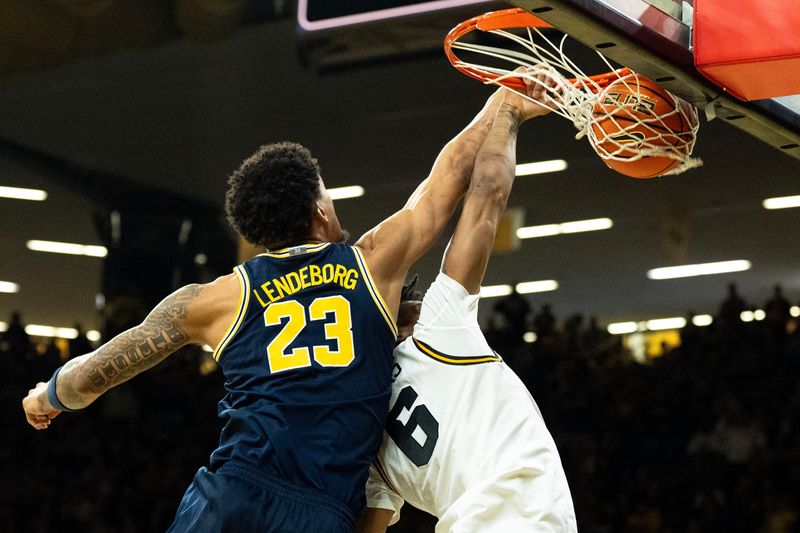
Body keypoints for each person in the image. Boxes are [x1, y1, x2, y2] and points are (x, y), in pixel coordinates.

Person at [21, 84, 515, 532]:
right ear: (320, 211)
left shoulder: (214, 298)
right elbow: (451, 174)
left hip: (230, 496)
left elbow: (96, 374)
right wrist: (504, 102)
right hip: (321, 511)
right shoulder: (371, 264)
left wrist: (47, 397)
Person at [359, 69, 576, 533]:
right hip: (526, 518)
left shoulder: (359, 423)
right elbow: (487, 193)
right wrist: (510, 112)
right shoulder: (437, 327)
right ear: (408, 312)